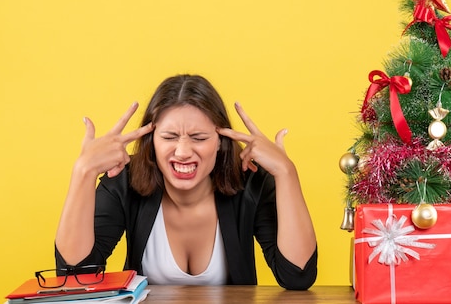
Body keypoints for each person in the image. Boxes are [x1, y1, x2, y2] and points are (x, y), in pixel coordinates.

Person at [54, 74, 317, 290]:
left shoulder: (251, 182)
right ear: (151, 141)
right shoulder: (124, 180)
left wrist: (286, 172)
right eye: (169, 137)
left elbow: (298, 276)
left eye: (199, 138)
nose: (182, 151)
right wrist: (83, 172)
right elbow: (74, 278)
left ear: (220, 143)